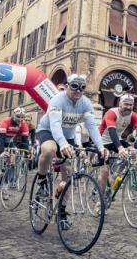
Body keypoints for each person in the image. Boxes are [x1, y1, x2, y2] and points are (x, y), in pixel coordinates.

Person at [34, 74, 105, 208]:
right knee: (50, 150)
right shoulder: (57, 100)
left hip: (68, 136)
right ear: (67, 86)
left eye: (82, 88)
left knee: (68, 172)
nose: (78, 91)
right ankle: (41, 178)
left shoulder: (86, 103)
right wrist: (62, 143)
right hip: (47, 131)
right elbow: (55, 124)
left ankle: (61, 208)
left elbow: (91, 127)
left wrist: (100, 146)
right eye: (74, 86)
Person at [98, 94, 137, 193]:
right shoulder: (112, 113)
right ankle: (99, 201)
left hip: (117, 139)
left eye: (131, 105)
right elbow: (112, 131)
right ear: (120, 104)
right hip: (103, 141)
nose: (128, 107)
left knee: (133, 152)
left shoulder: (133, 115)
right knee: (104, 172)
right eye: (126, 104)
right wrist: (120, 148)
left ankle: (116, 174)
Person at [0, 108, 30, 188]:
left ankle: (5, 186)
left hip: (9, 141)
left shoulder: (23, 124)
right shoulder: (6, 121)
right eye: (18, 116)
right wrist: (2, 151)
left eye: (22, 117)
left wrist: (27, 153)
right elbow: (2, 138)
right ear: (13, 115)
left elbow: (25, 141)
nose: (20, 119)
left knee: (12, 162)